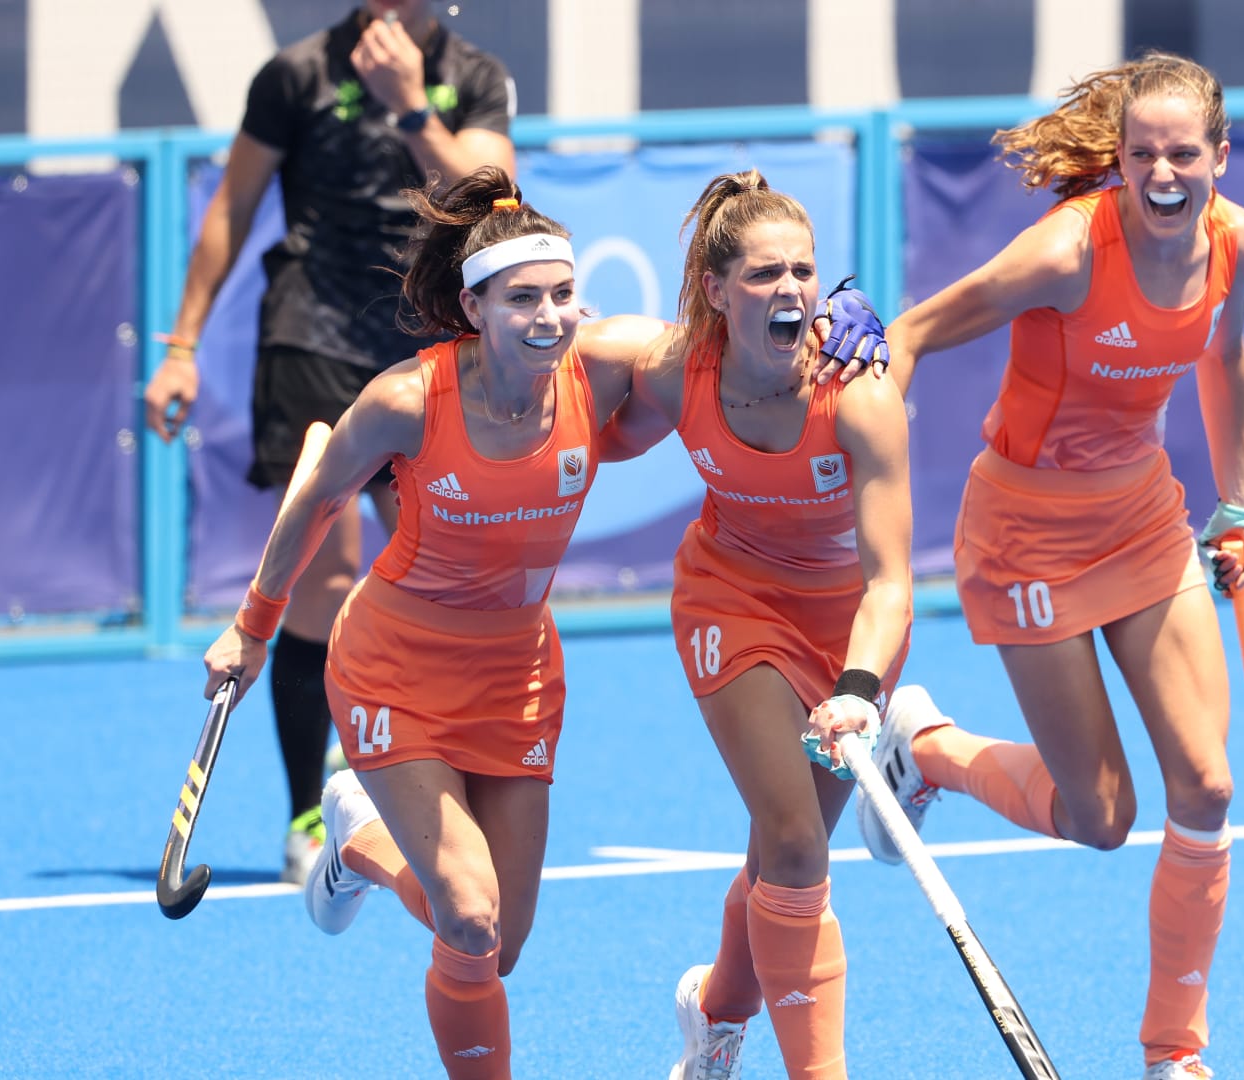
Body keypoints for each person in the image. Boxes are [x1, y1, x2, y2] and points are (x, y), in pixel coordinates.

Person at [824, 52, 1244, 1080]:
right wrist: (868, 365)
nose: (1164, 175)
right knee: (1102, 819)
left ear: (1220, 157)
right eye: (1144, 154)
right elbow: (924, 330)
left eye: (1185, 155)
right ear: (1118, 158)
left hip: (1143, 518)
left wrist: (1239, 499)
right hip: (1027, 532)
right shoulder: (1068, 251)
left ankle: (1174, 1055)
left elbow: (1225, 355)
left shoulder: (1238, 245)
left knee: (1205, 785)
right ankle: (926, 745)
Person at [201, 168, 663, 1079]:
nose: (547, 316)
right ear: (474, 308)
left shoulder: (602, 367)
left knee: (502, 947)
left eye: (563, 295)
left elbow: (713, 348)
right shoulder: (409, 401)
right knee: (469, 914)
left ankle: (356, 838)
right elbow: (320, 499)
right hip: (393, 670)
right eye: (522, 298)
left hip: (518, 676)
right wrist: (254, 627)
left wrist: (836, 335)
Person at [147, 0, 516, 884]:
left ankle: (419, 774)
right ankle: (309, 812)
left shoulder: (472, 77)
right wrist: (183, 346)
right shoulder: (296, 74)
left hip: (427, 346)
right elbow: (233, 206)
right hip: (310, 334)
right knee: (328, 567)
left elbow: (498, 197)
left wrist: (408, 104)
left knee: (446, 566)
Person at [600, 170, 910, 1080]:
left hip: (851, 632)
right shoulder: (672, 368)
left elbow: (893, 582)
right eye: (766, 274)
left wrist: (858, 688)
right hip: (730, 603)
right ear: (715, 291)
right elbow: (558, 369)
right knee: (797, 846)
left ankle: (717, 1011)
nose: (791, 291)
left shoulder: (860, 395)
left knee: (780, 858)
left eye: (806, 272)